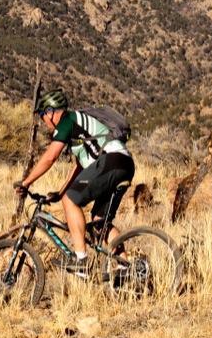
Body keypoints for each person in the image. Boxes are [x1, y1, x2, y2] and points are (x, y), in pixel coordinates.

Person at [14, 88, 135, 276]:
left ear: (51, 112)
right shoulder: (77, 130)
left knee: (71, 201)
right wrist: (61, 192)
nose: (43, 122)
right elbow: (80, 166)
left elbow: (50, 157)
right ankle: (125, 267)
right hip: (123, 164)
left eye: (43, 116)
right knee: (99, 224)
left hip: (111, 161)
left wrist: (26, 182)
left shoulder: (67, 120)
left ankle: (81, 260)